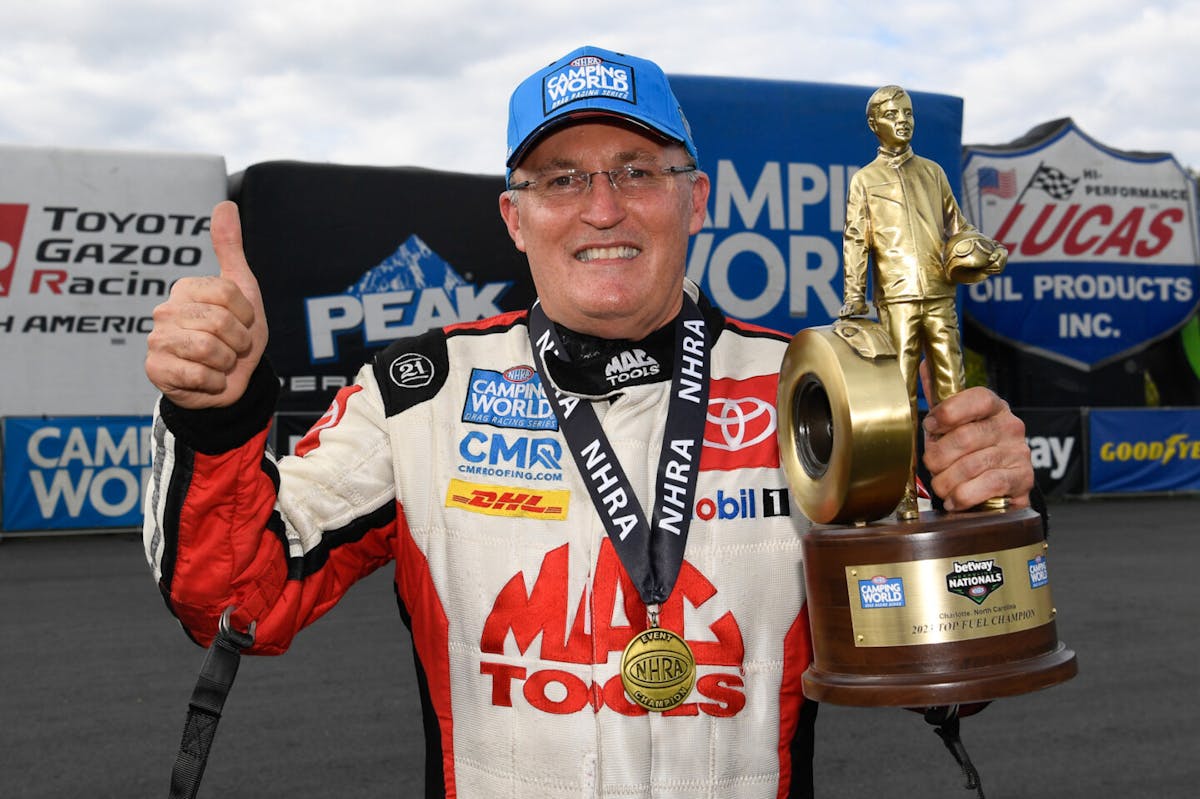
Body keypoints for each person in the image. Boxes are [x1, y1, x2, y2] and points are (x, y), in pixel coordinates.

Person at [143, 47, 1034, 798]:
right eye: (561, 178)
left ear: (697, 199)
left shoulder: (810, 388)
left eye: (637, 172)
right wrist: (216, 417)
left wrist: (972, 517)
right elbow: (236, 599)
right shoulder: (421, 392)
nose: (601, 206)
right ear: (515, 218)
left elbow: (942, 670)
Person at [839, 85, 1008, 519]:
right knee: (899, 400)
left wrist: (985, 251)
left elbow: (959, 225)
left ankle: (972, 485)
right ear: (874, 124)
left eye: (908, 112)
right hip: (895, 300)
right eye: (893, 113)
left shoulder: (933, 172)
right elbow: (857, 240)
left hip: (940, 296)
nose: (904, 119)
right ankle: (903, 494)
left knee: (955, 395)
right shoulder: (865, 180)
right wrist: (854, 296)